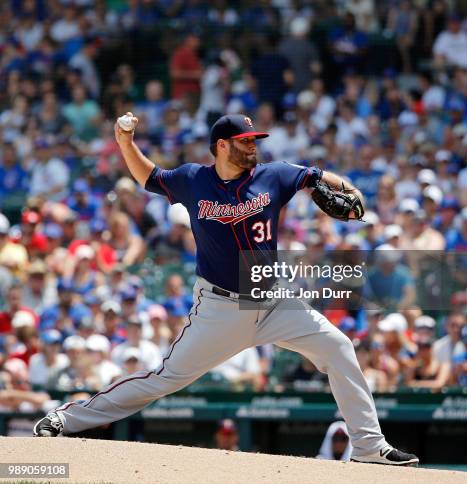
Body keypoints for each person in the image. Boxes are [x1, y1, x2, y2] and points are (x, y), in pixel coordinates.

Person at [34, 112, 418, 466]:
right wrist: (125, 143)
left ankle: (368, 447)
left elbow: (320, 177)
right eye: (245, 140)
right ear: (222, 145)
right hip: (220, 308)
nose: (254, 146)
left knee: (338, 347)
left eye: (255, 140)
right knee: (162, 379)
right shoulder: (193, 179)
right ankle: (66, 419)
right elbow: (149, 177)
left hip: (273, 301)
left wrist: (351, 191)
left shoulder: (275, 175)